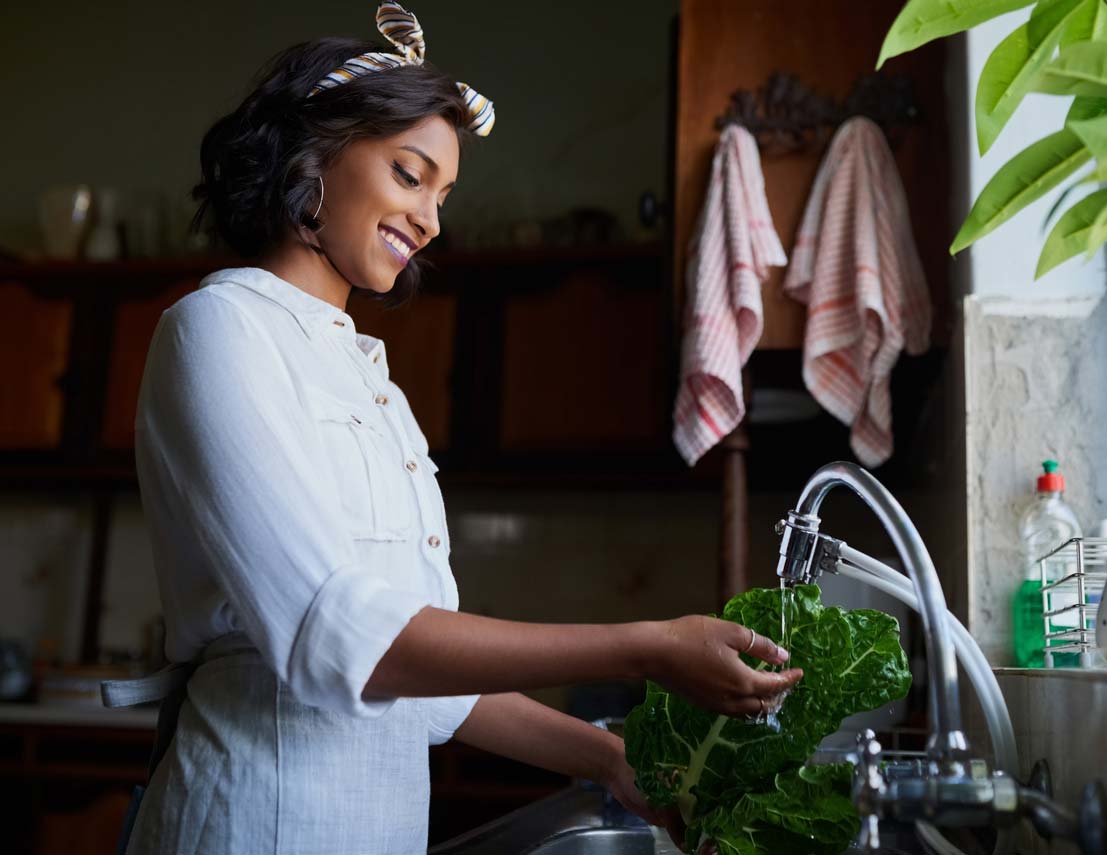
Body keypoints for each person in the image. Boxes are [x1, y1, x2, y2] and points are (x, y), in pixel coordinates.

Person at [117, 5, 802, 853]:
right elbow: (344, 640)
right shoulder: (218, 329)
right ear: (312, 154)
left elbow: (423, 673)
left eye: (442, 195)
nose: (432, 220)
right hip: (256, 819)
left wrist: (607, 757)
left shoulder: (372, 381)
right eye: (409, 174)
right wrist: (648, 646)